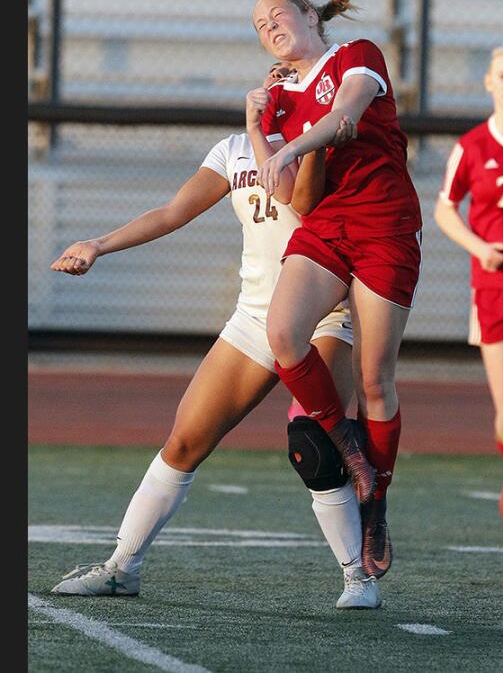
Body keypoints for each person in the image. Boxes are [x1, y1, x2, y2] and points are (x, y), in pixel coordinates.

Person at [47, 63, 382, 609]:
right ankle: (121, 567)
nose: (279, 83)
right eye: (273, 74)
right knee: (184, 441)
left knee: (313, 443)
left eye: (292, 76)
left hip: (324, 314)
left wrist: (278, 135)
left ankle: (358, 578)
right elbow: (174, 211)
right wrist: (98, 244)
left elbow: (300, 200)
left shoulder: (327, 142)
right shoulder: (231, 150)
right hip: (254, 315)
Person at [250, 0, 423, 580]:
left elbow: (345, 116)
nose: (269, 24)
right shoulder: (280, 98)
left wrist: (292, 141)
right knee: (283, 334)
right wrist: (259, 124)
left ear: (308, 14)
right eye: (259, 23)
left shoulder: (357, 53)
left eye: (279, 13)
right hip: (329, 225)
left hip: (384, 222)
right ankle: (351, 450)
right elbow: (296, 198)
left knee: (376, 379)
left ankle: (377, 500)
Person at [433, 44, 503, 521]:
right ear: (488, 83)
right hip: (491, 284)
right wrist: (481, 248)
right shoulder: (472, 147)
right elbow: (445, 208)